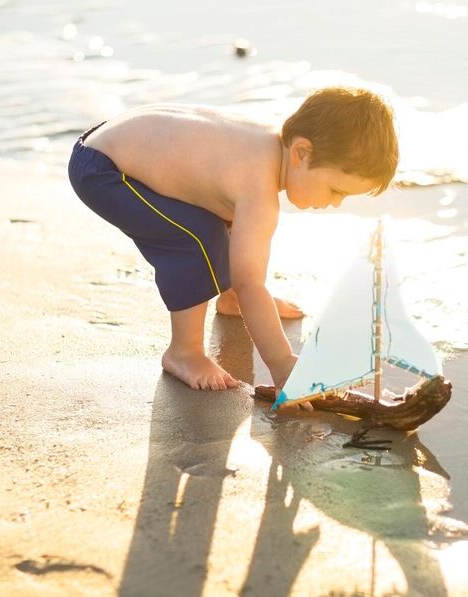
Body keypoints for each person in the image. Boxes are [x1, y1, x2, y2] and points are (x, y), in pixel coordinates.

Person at [68, 86, 399, 392]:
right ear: (301, 153)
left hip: (112, 140)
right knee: (197, 239)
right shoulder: (257, 187)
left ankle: (227, 301)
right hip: (104, 171)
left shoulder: (267, 147)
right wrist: (282, 362)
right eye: (335, 190)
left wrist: (241, 295)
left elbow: (244, 257)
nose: (335, 202)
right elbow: (250, 283)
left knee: (225, 216)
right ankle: (184, 352)